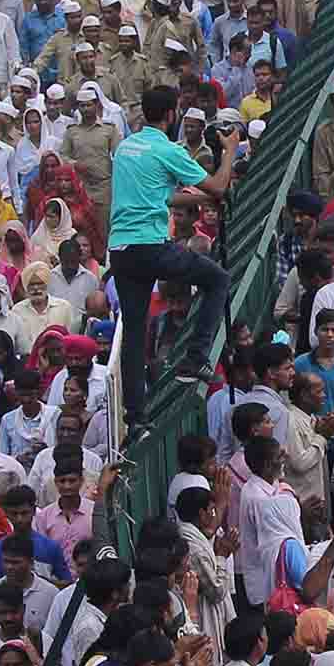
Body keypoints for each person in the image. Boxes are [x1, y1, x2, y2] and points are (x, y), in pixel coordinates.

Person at [105, 85, 241, 419]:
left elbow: (163, 197)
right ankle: (195, 358)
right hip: (150, 246)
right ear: (171, 115)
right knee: (217, 278)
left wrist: (202, 200)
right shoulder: (168, 150)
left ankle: (135, 414)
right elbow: (220, 185)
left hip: (120, 250)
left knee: (135, 330)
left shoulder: (125, 148)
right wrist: (230, 152)